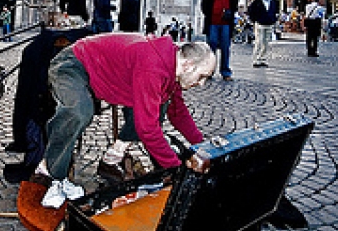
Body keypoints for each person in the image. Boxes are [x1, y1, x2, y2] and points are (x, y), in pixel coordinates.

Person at [36, 34, 217, 208]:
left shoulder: (172, 67)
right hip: (72, 63)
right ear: (188, 64)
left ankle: (113, 158)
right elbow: (148, 131)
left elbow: (177, 113)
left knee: (159, 104)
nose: (201, 84)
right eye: (202, 76)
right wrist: (177, 170)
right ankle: (52, 172)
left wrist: (202, 146)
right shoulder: (153, 66)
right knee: (79, 111)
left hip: (100, 73)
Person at [200, 0, 239, 80]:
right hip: (213, 23)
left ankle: (225, 72)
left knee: (225, 47)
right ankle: (209, 71)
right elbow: (203, 6)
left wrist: (228, 13)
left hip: (226, 25)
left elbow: (234, 7)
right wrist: (212, 13)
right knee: (211, 46)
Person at [248, 0, 279, 67]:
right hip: (260, 24)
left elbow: (275, 11)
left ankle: (263, 59)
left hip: (269, 24)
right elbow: (251, 10)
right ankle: (256, 59)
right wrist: (254, 20)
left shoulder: (273, 2)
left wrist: (273, 20)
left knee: (266, 43)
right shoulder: (257, 1)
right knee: (259, 42)